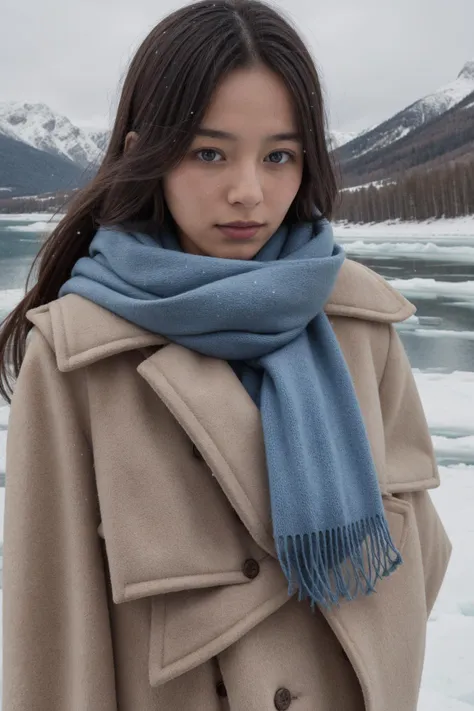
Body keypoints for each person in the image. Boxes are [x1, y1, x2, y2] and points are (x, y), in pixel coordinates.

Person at [1, 1, 451, 709]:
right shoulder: (74, 358)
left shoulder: (360, 322)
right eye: (209, 153)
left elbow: (419, 555)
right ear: (145, 152)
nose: (249, 191)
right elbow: (54, 643)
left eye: (279, 155)